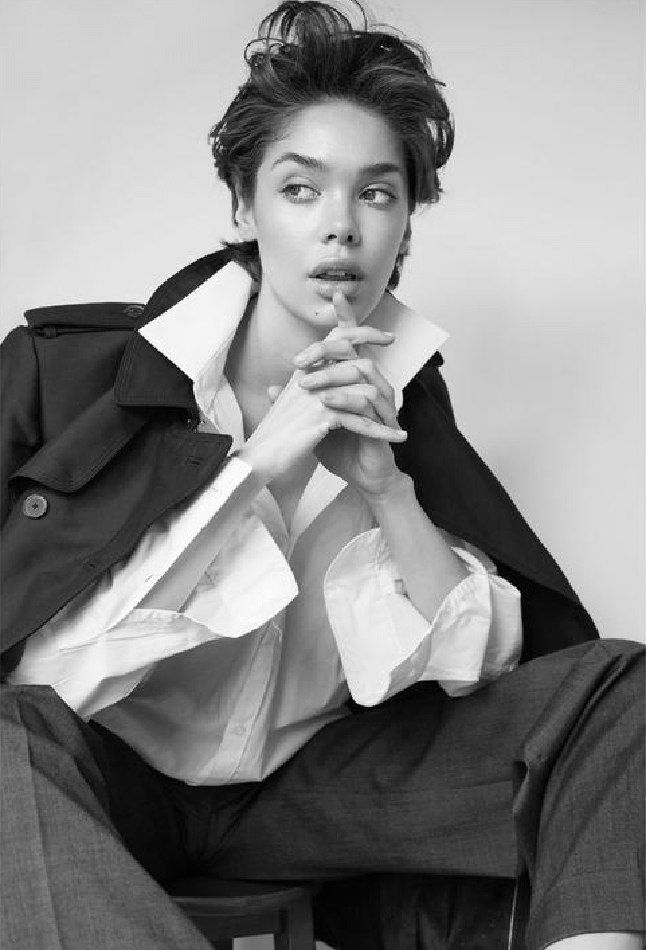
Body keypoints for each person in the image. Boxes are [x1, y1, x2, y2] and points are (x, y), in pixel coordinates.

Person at [1, 1, 643, 948]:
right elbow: (50, 680)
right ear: (244, 207)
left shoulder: (409, 412)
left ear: (405, 226)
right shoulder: (75, 375)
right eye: (301, 189)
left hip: (305, 794)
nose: (340, 228)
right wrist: (256, 462)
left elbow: (475, 674)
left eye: (376, 194)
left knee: (617, 688)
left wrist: (387, 489)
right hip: (108, 784)